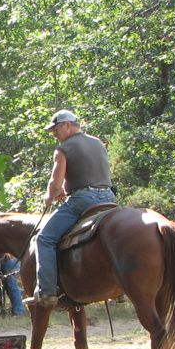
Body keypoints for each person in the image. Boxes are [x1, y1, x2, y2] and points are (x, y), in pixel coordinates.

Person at [25, 110, 115, 307]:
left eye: (55, 130)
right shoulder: (98, 142)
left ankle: (47, 292)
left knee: (44, 239)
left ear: (67, 125)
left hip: (83, 200)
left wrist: (49, 197)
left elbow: (55, 182)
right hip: (109, 197)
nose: (54, 135)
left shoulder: (63, 149)